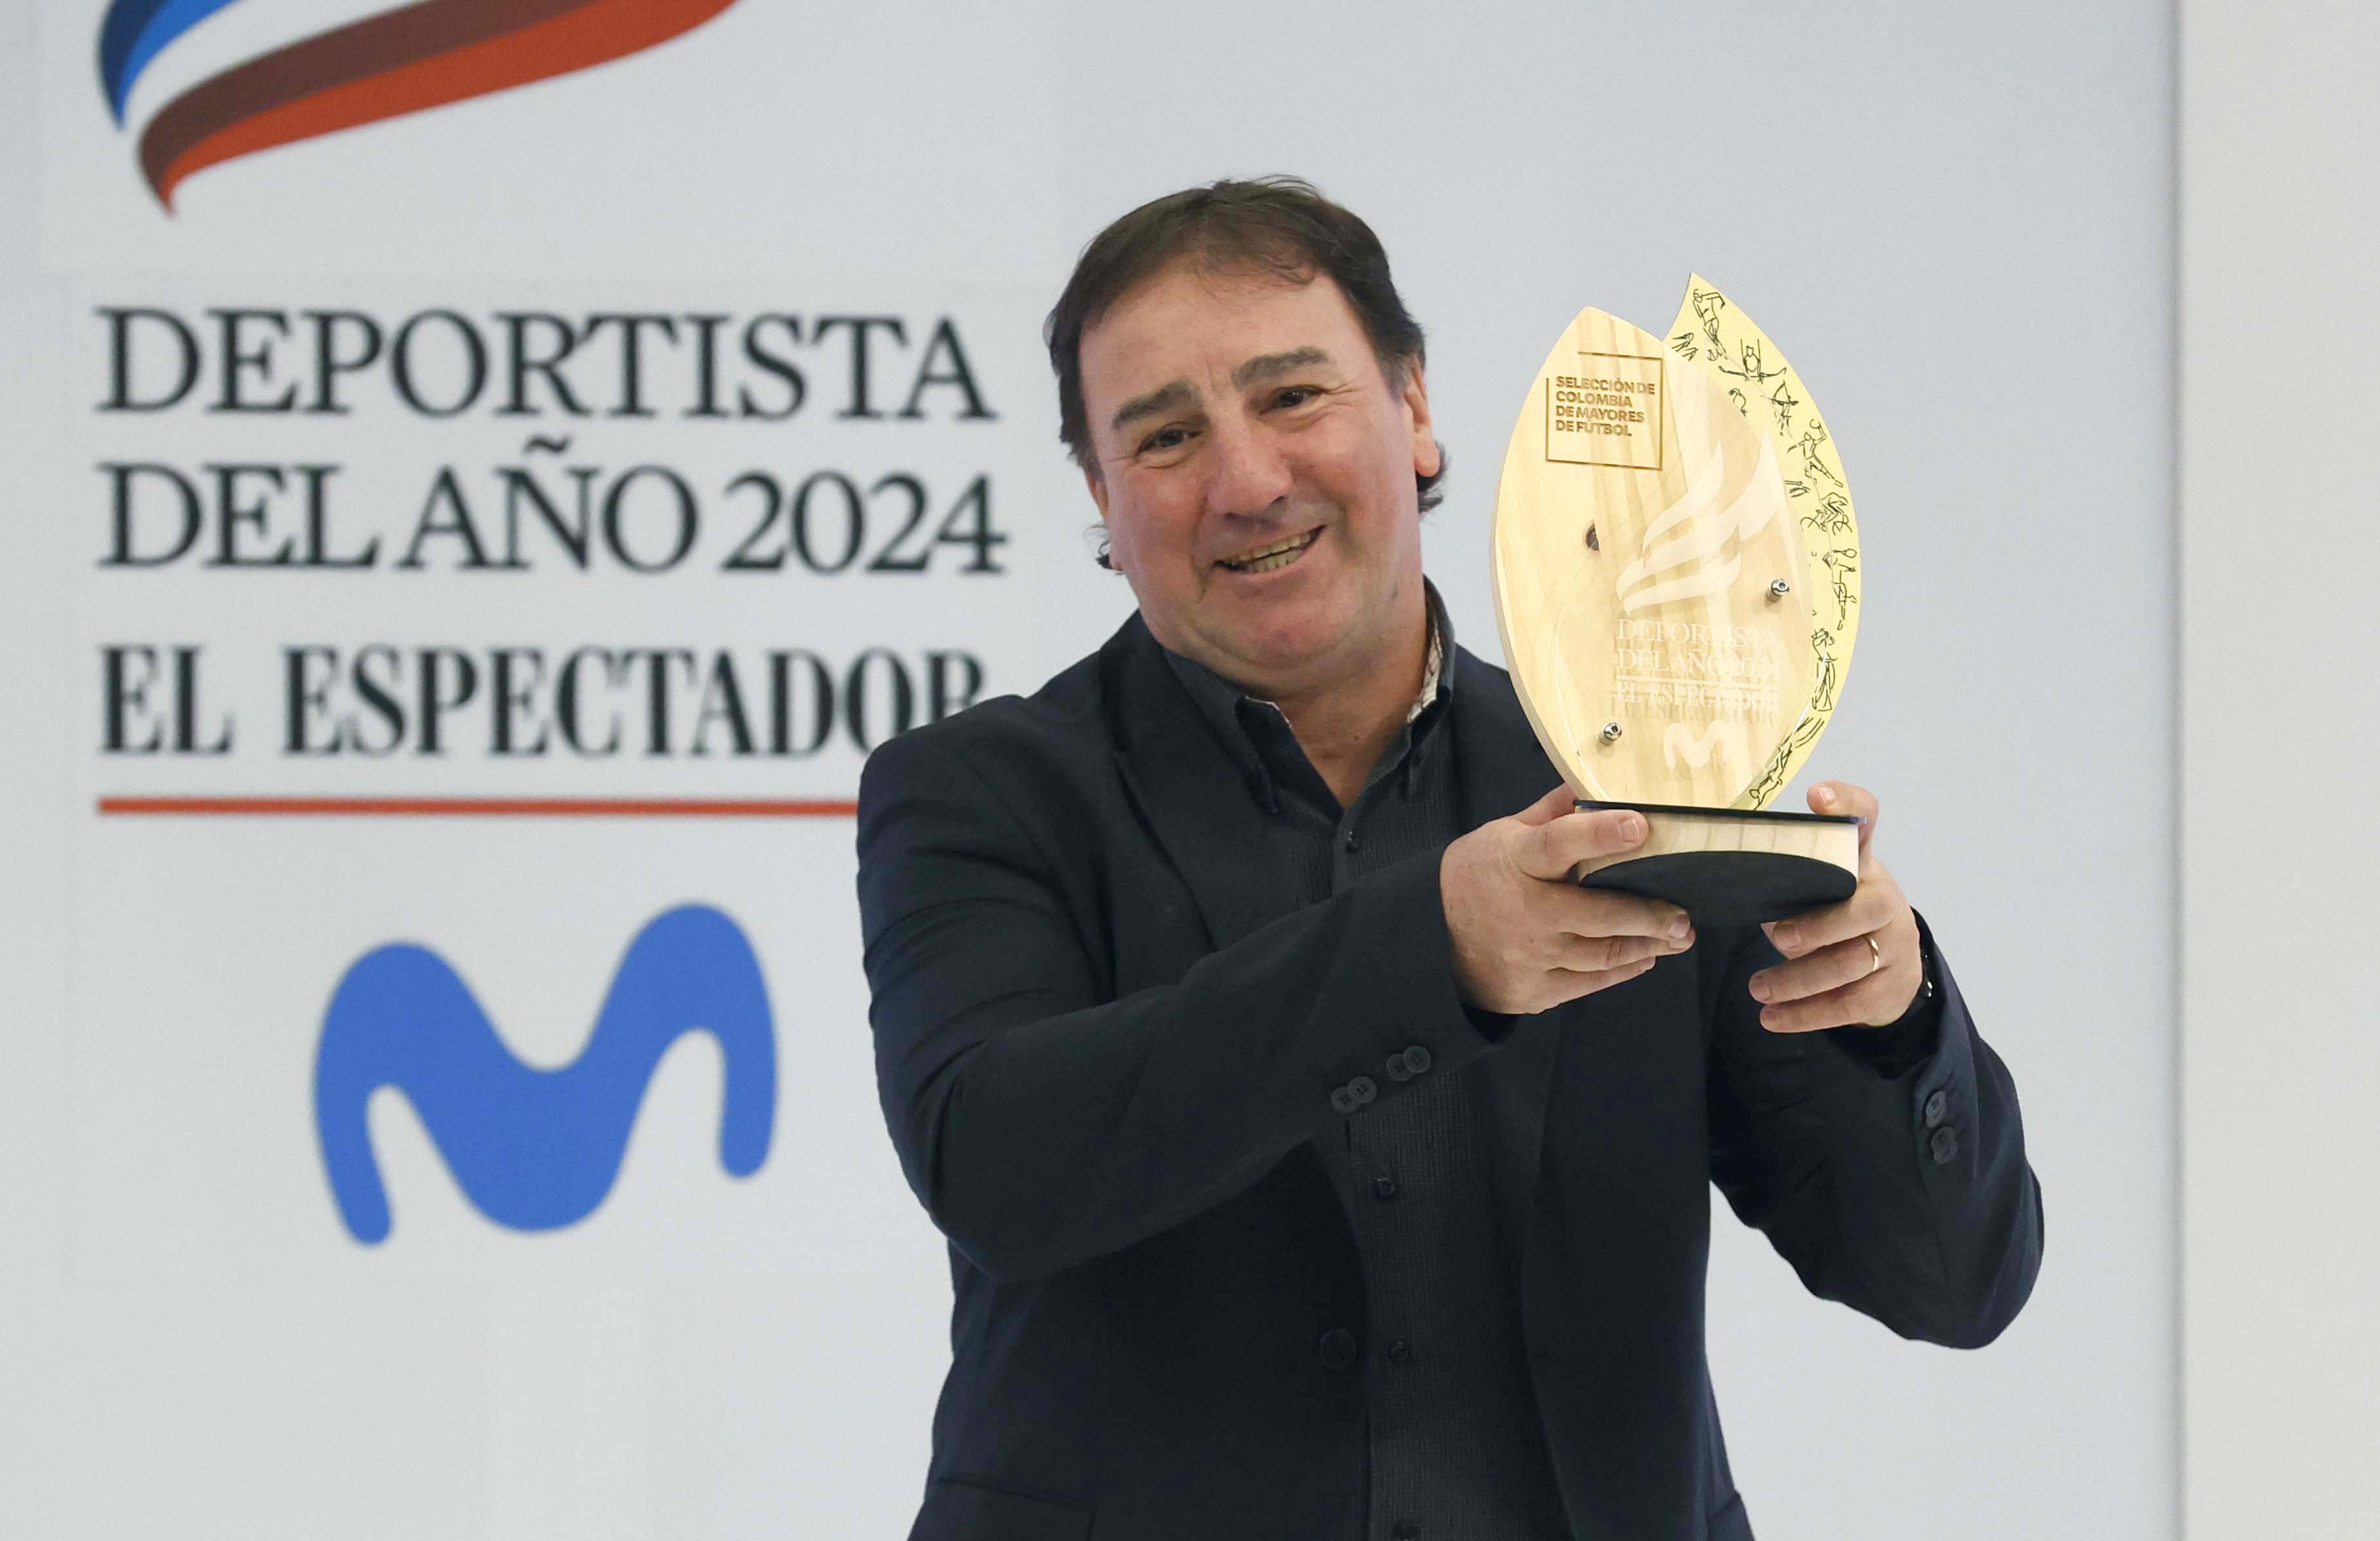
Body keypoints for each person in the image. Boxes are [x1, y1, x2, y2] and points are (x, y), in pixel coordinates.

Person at [855, 176, 2040, 1541]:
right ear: (1101, 498)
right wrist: (1436, 951)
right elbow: (1004, 1163)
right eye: (1167, 434)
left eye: (1293, 396)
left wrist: (1891, 1024)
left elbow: (1951, 1287)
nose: (1245, 481)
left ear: (1413, 412)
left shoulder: (1639, 781)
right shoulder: (980, 790)